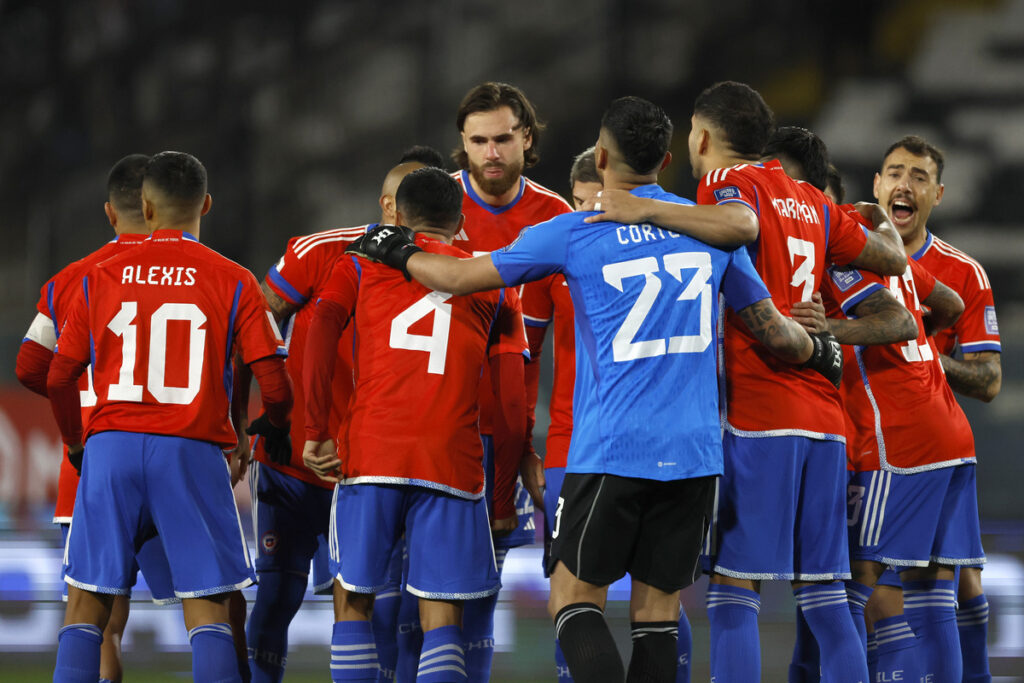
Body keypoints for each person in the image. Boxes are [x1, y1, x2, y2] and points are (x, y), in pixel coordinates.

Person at [349, 96, 844, 683]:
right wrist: (825, 350)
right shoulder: (708, 231)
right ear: (665, 159)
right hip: (694, 455)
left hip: (611, 448)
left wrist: (398, 249)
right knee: (657, 614)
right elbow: (779, 335)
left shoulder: (574, 232)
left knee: (572, 598)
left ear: (601, 157)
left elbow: (455, 276)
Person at [582, 82, 908, 683]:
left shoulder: (726, 186)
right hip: (826, 423)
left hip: (759, 412)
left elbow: (737, 227)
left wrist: (645, 208)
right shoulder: (812, 199)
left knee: (734, 595)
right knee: (826, 597)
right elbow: (894, 259)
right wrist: (879, 220)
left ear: (703, 138)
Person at [45, 151, 292, 683]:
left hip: (109, 446)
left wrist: (76, 442)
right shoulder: (234, 279)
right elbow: (274, 380)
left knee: (86, 606)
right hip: (190, 448)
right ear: (205, 204)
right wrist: (266, 426)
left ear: (146, 207)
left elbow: (58, 376)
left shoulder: (97, 275)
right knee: (206, 609)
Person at [301, 167, 526, 683]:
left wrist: (315, 429)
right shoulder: (491, 280)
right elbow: (511, 404)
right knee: (442, 615)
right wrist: (504, 496)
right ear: (461, 221)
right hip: (452, 460)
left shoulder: (357, 267)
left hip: (371, 452)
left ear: (396, 217)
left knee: (354, 601)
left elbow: (316, 335)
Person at [245, 145, 445, 683]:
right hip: (297, 461)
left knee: (386, 610)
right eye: (405, 203)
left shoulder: (448, 266)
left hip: (375, 466)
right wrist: (264, 413)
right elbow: (257, 324)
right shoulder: (323, 250)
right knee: (276, 594)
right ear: (386, 204)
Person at [448, 80, 573, 681]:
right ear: (462, 144)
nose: (491, 153)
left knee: (486, 587)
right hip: (434, 427)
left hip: (507, 428)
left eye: (502, 139)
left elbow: (566, 347)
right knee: (417, 592)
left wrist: (533, 442)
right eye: (478, 141)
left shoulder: (556, 218)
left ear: (527, 136)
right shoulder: (432, 204)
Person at [869, 135, 1001, 683]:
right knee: (932, 584)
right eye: (895, 172)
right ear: (876, 186)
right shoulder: (845, 254)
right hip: (867, 440)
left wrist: (919, 354)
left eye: (919, 177)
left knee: (936, 582)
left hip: (924, 444)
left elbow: (989, 381)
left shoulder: (963, 274)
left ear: (938, 194)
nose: (904, 184)